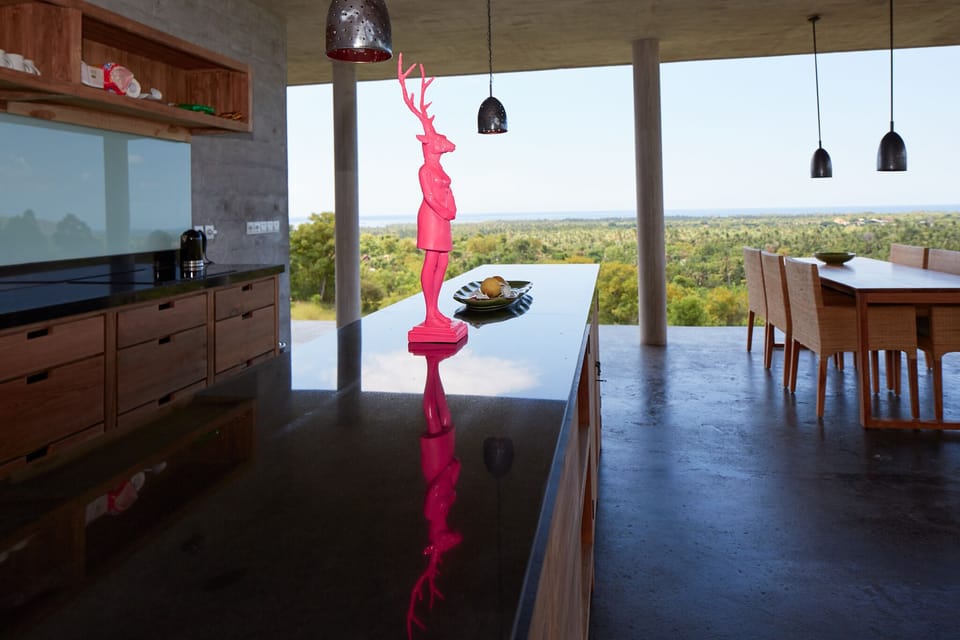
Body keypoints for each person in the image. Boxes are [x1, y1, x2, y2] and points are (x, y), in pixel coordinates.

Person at [398, 53, 468, 343]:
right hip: (433, 217)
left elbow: (445, 193)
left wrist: (451, 209)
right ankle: (429, 312)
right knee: (431, 260)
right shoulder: (426, 168)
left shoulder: (439, 167)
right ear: (429, 144)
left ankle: (436, 311)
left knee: (442, 261)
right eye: (439, 139)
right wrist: (446, 210)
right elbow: (430, 196)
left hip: (444, 218)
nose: (445, 142)